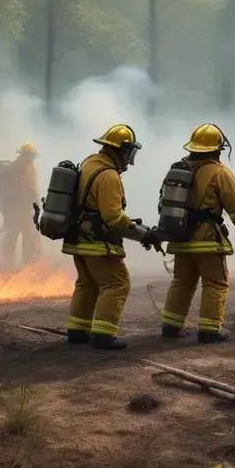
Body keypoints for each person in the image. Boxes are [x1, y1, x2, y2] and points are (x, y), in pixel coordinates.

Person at [62, 124, 160, 350]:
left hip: (78, 239)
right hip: (97, 243)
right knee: (117, 284)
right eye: (128, 152)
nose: (129, 158)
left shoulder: (89, 163)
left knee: (87, 284)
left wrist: (138, 227)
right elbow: (113, 218)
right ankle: (104, 335)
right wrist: (143, 236)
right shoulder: (108, 175)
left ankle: (77, 331)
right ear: (120, 150)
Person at [161, 124, 235, 344]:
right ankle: (210, 330)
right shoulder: (219, 172)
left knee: (181, 282)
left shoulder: (178, 171)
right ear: (217, 149)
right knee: (215, 283)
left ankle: (171, 326)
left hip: (180, 237)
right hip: (207, 241)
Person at [0, 142, 43, 270]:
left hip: (9, 210)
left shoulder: (11, 168)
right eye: (31, 156)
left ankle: (8, 264)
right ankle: (27, 264)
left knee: (11, 236)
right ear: (28, 155)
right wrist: (36, 207)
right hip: (24, 210)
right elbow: (33, 190)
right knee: (28, 236)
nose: (32, 159)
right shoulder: (29, 168)